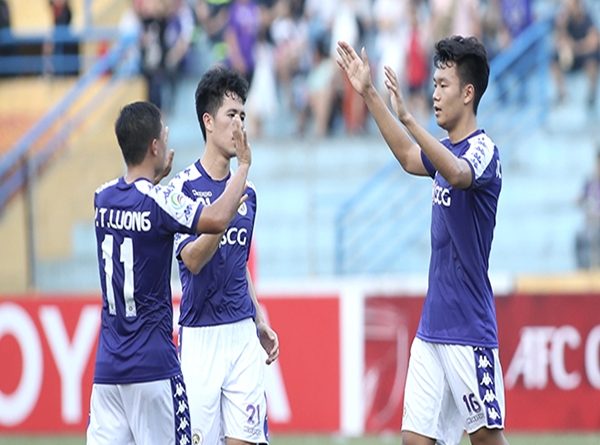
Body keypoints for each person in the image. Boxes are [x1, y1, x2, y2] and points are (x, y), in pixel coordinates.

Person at [337, 36, 508, 445]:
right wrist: (369, 93)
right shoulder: (445, 150)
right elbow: (409, 157)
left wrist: (412, 121)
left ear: (468, 93)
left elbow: (458, 174)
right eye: (433, 84)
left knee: (486, 438)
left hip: (469, 328)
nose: (435, 94)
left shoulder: (483, 150)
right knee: (415, 440)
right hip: (432, 328)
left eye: (443, 85)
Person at [87, 100, 252, 445]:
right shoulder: (160, 201)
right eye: (164, 136)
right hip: (153, 366)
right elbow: (216, 219)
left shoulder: (102, 198)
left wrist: (154, 180)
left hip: (108, 371)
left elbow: (137, 208)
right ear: (154, 147)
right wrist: (244, 167)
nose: (167, 142)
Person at [169, 66, 279, 445]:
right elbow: (192, 260)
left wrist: (258, 317)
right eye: (231, 115)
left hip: (242, 334)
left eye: (243, 116)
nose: (239, 125)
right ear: (208, 121)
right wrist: (225, 210)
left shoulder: (249, 193)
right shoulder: (182, 189)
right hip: (200, 338)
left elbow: (239, 262)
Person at [551, 0, 599, 108]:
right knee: (554, 60)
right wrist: (561, 27)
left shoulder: (588, 18)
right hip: (572, 57)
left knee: (592, 61)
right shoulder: (565, 21)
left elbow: (593, 43)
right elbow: (558, 43)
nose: (568, 8)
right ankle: (561, 95)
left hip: (585, 56)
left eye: (570, 5)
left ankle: (592, 94)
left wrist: (575, 46)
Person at [575, 148, 600, 269]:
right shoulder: (590, 181)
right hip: (590, 223)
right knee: (580, 237)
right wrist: (579, 201)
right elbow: (581, 197)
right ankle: (584, 270)